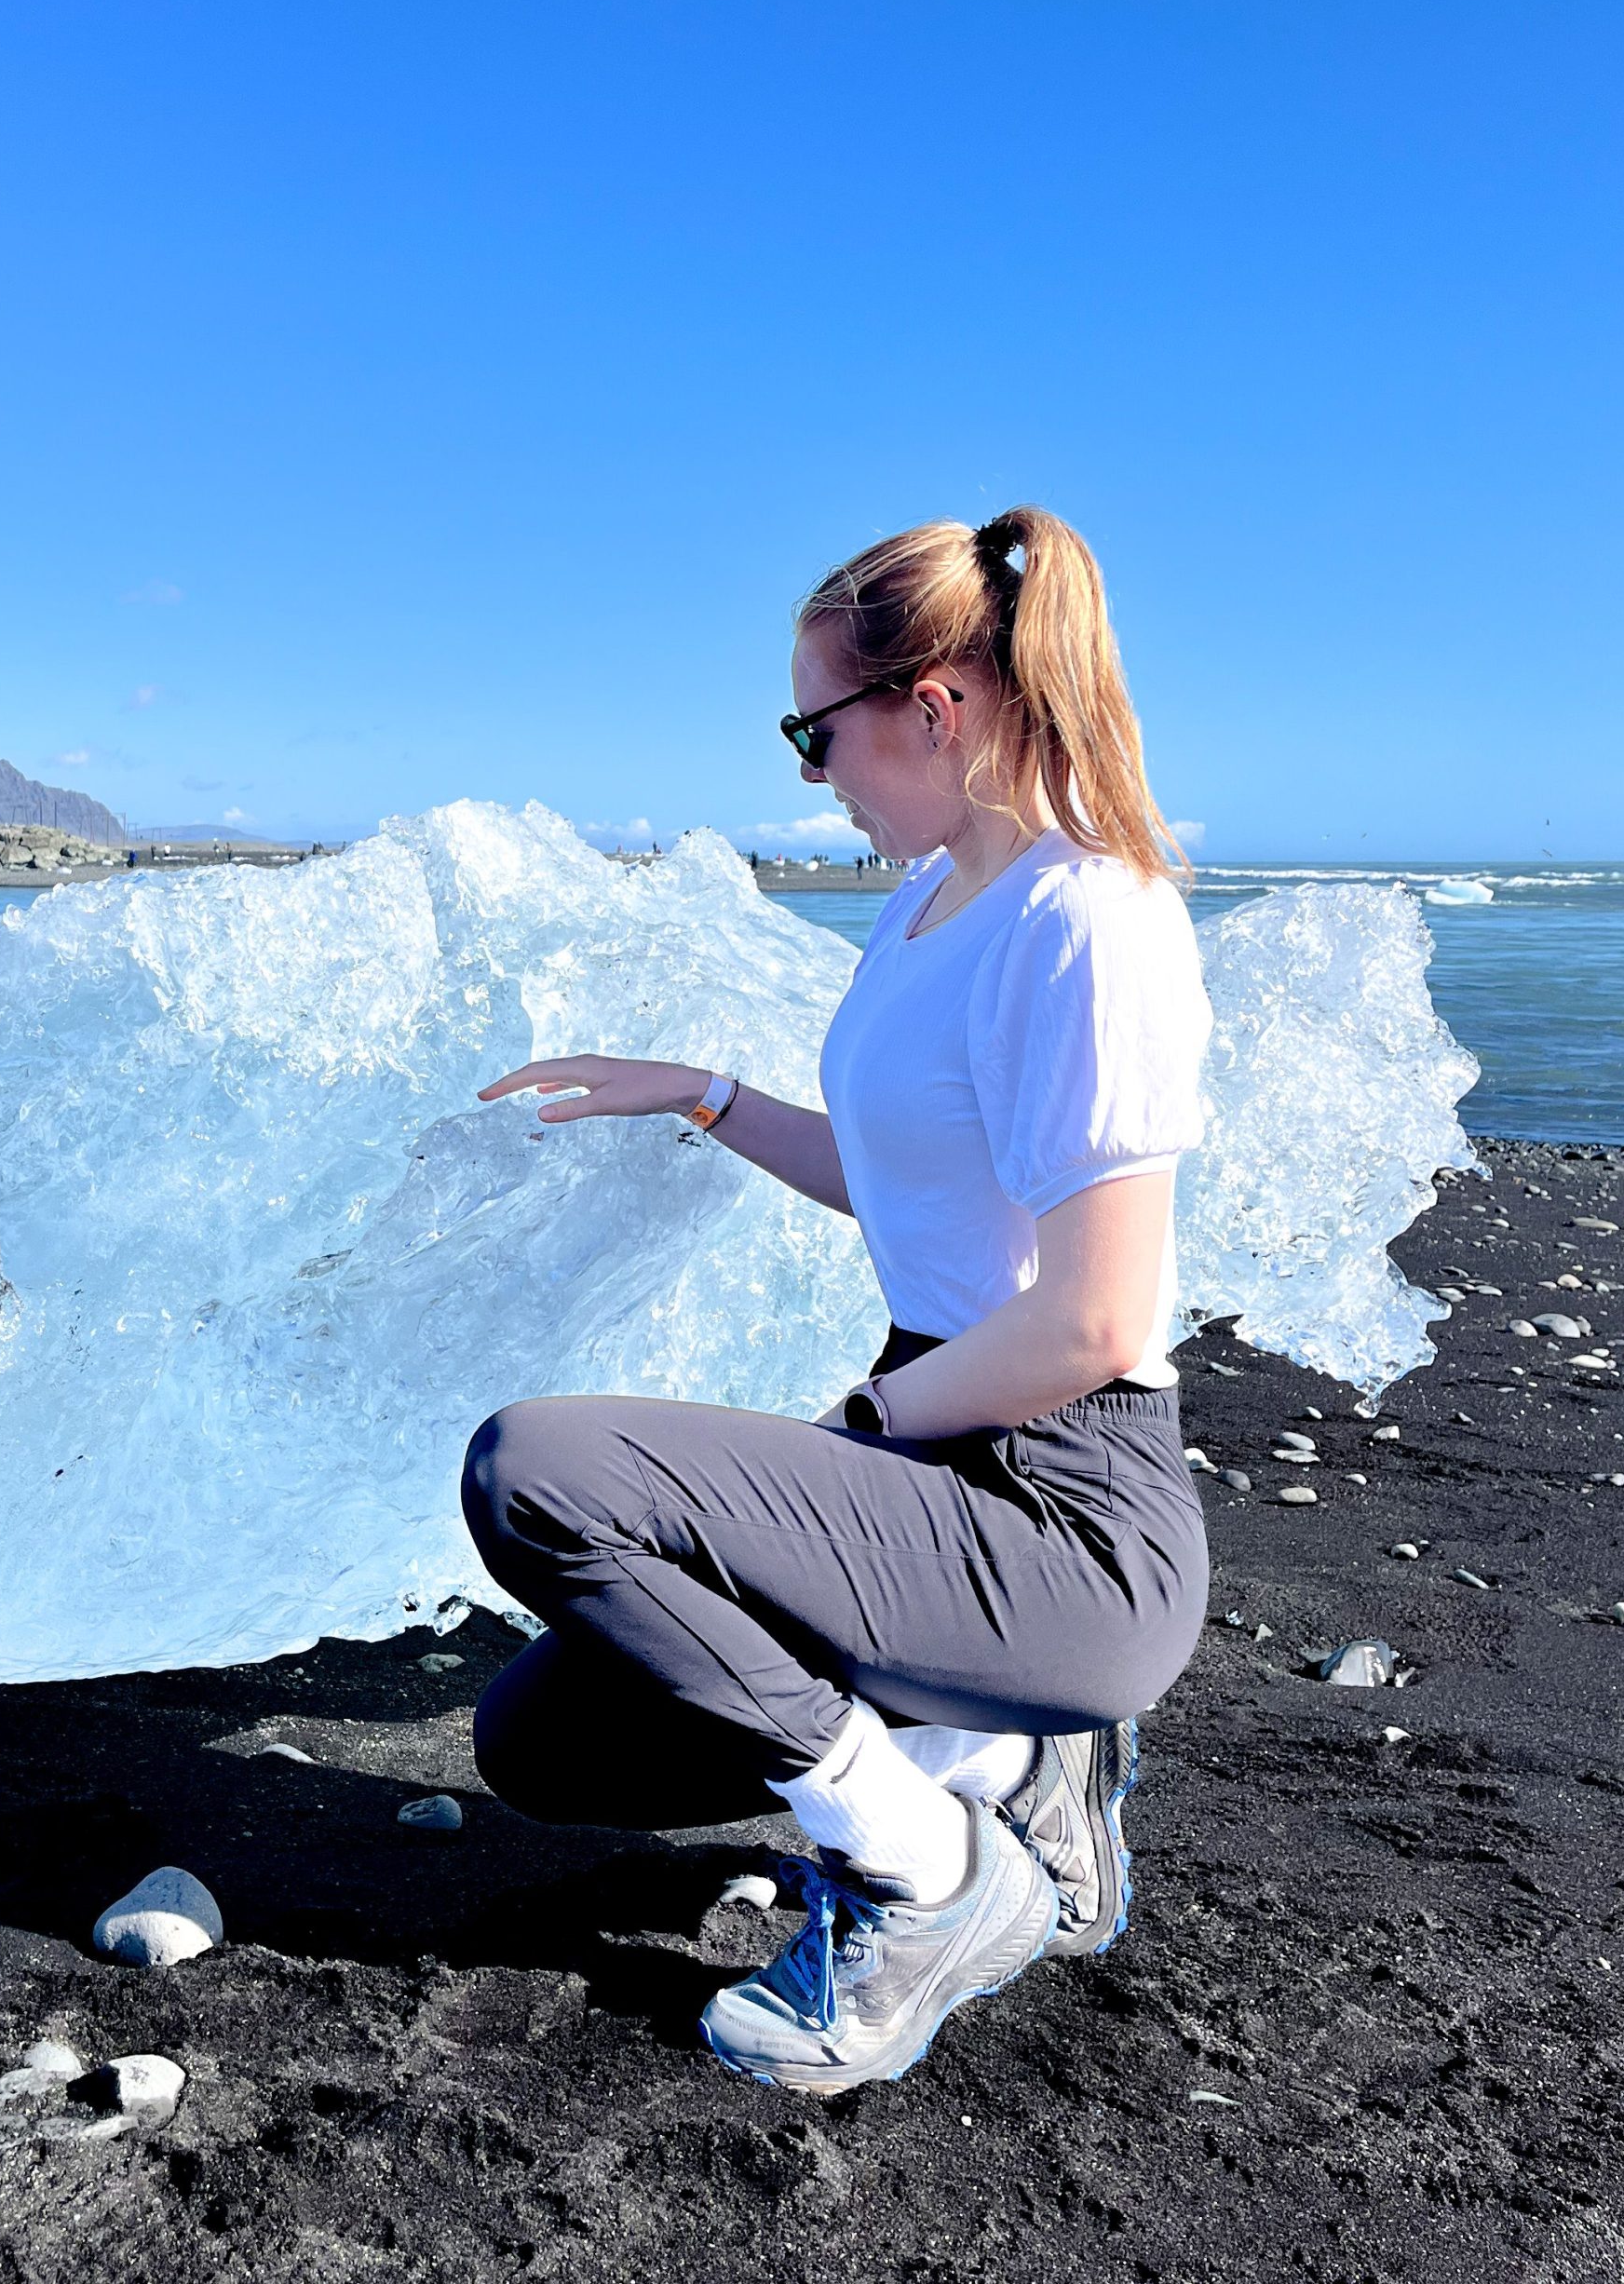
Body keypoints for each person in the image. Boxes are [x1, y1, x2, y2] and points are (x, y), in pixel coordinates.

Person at [465, 507, 1211, 2097]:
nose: (810, 775)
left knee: (538, 1472)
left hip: (1063, 1505)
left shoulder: (1089, 922)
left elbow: (1092, 1320)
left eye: (816, 733)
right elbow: (911, 1182)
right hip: (940, 1451)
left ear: (934, 706)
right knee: (546, 1744)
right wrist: (706, 1095)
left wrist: (864, 1431)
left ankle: (935, 1873)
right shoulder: (928, 905)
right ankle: (1010, 1753)